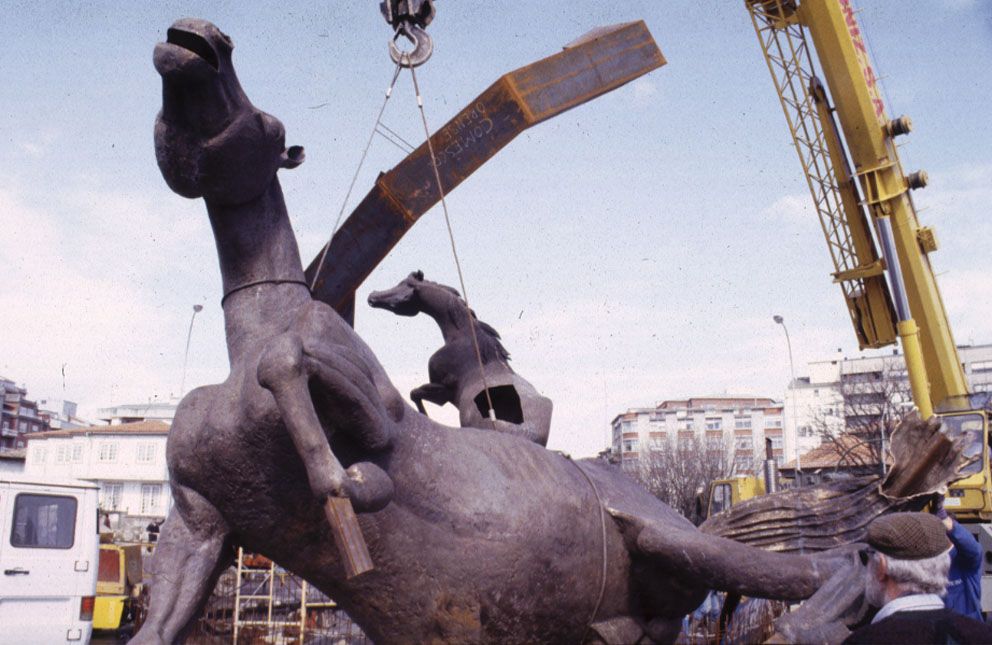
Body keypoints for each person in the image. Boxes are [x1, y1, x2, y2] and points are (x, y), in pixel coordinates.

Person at [844, 512, 992, 644]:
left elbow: (973, 550)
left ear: (882, 566)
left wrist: (950, 525)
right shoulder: (983, 636)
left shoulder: (865, 640)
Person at [934, 497, 983, 621]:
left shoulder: (965, 559)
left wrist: (946, 521)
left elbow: (973, 549)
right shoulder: (929, 560)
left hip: (967, 628)